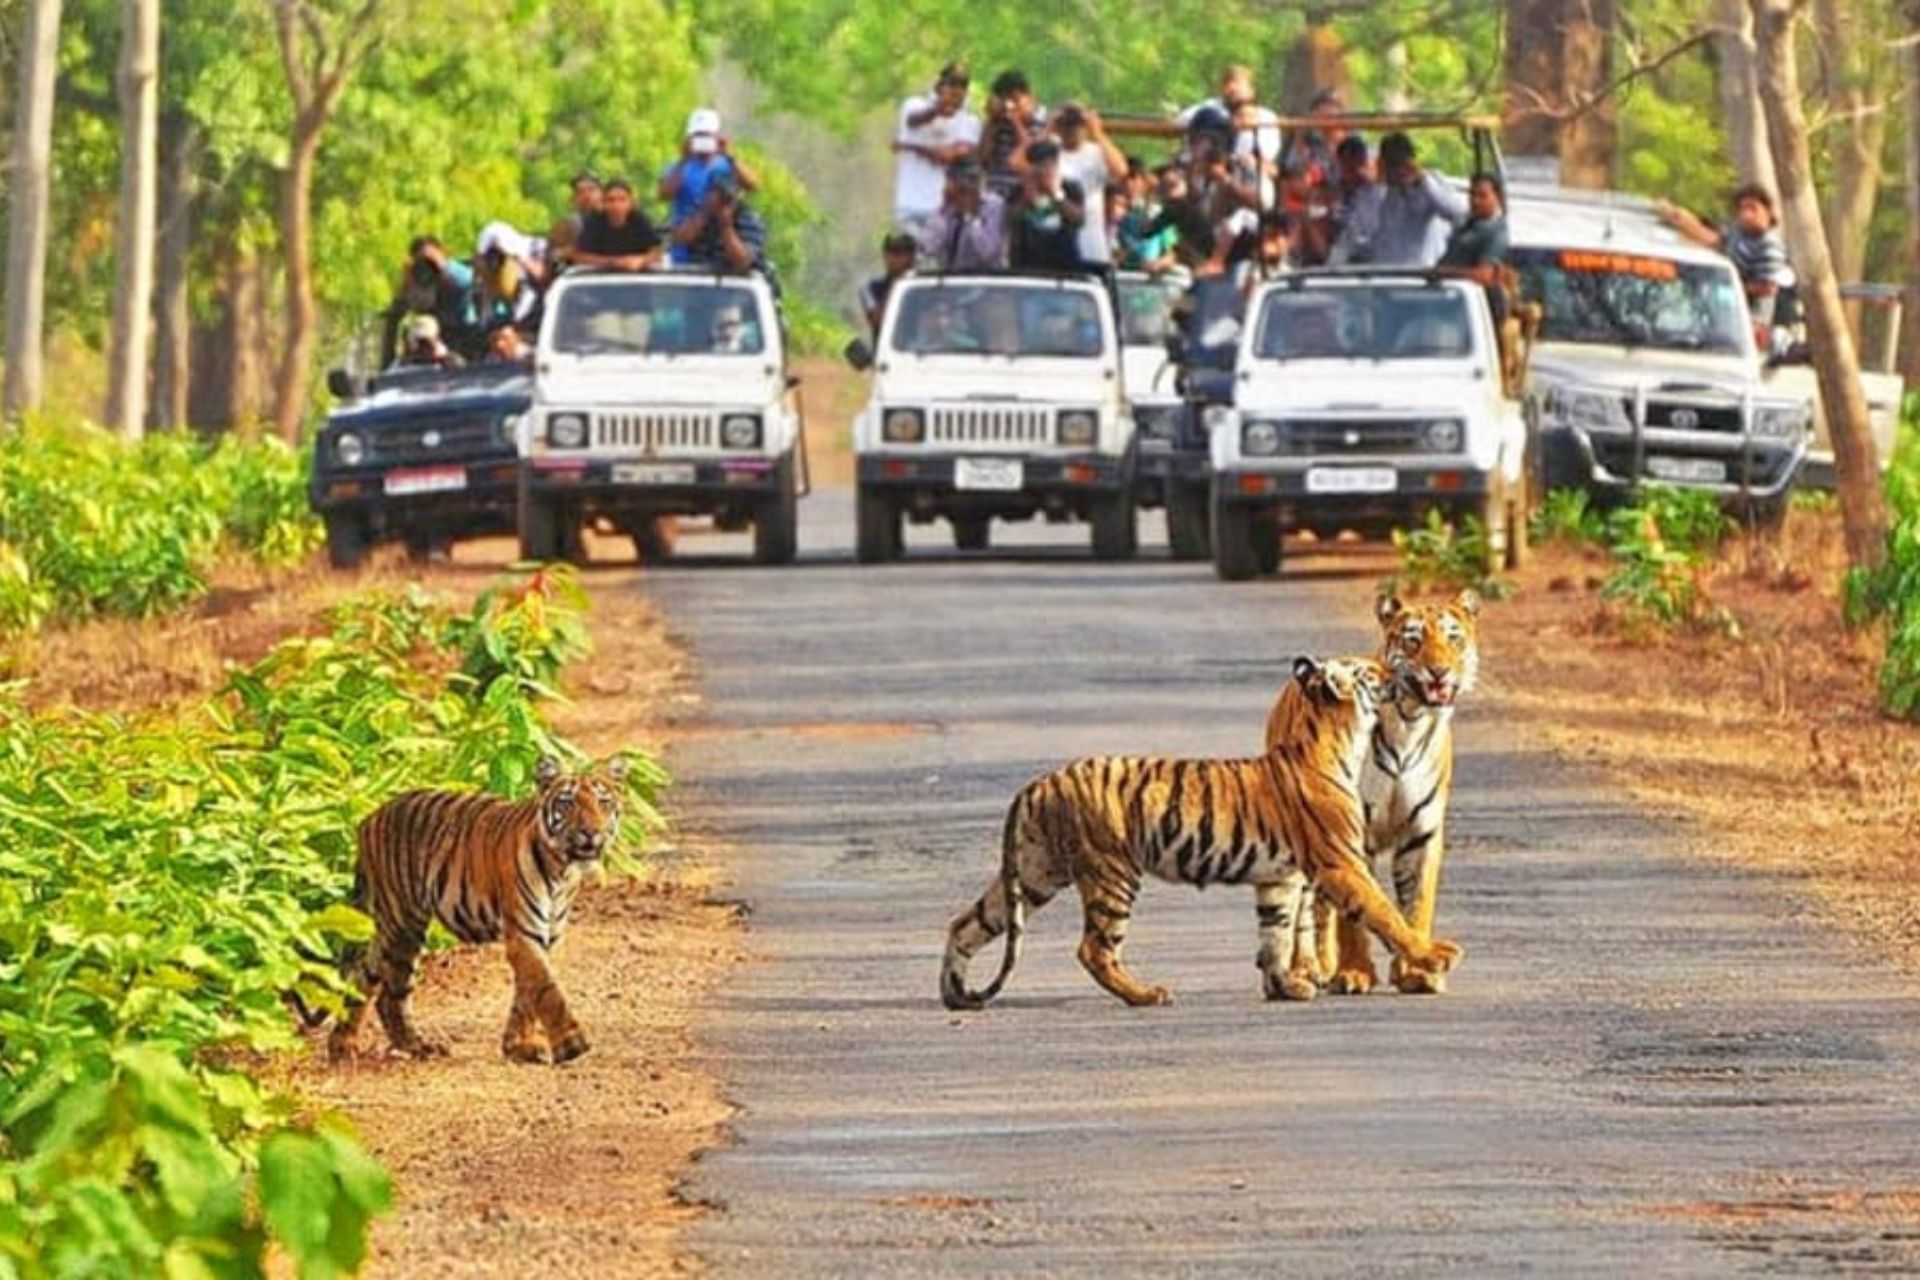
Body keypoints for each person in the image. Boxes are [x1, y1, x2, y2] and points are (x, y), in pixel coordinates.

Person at [1654, 184, 1794, 330]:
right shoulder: (1738, 233)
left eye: (1753, 208)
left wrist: (1729, 286)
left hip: (1751, 319)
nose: (1747, 215)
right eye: (1743, 209)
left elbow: (1767, 287)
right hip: (1722, 310)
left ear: (1768, 212)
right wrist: (1678, 217)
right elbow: (1712, 239)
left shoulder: (1770, 245)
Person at [1332, 131, 1465, 267]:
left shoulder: (1432, 185)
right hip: (1384, 276)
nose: (1395, 170)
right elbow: (1357, 234)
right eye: (1390, 163)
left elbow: (1458, 213)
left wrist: (1421, 179)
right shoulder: (1373, 193)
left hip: (1424, 277)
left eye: (1398, 163)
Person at [893, 62, 983, 241]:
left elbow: (948, 157)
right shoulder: (914, 104)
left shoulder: (970, 120)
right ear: (939, 85)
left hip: (943, 210)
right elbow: (914, 120)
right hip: (910, 206)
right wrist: (939, 109)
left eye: (962, 86)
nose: (956, 90)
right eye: (952, 84)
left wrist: (910, 146)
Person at [660, 108, 762, 265]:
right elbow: (664, 194)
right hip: (686, 241)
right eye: (698, 137)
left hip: (724, 234)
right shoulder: (677, 168)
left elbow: (754, 185)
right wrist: (683, 159)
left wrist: (728, 155)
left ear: (717, 137)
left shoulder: (727, 165)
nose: (703, 142)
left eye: (707, 137)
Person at [1049, 104, 1128, 271]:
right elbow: (1018, 163)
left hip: (1090, 241)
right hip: (1053, 239)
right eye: (1066, 124)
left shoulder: (1096, 152)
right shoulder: (1050, 149)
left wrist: (1097, 132)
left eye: (1077, 124)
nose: (1071, 130)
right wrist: (1048, 128)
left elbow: (1121, 170)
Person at [381, 236, 478, 366]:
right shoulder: (421, 286)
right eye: (422, 264)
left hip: (468, 350)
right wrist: (407, 283)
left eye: (430, 261)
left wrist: (444, 268)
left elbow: (471, 280)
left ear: (445, 256)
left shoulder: (460, 283)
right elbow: (396, 313)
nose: (428, 268)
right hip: (430, 357)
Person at [671, 171, 773, 281]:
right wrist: (705, 213)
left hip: (737, 286)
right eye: (715, 191)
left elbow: (742, 261)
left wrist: (726, 225)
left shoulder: (749, 220)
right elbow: (679, 239)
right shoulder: (698, 212)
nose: (722, 201)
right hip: (699, 281)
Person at [1007, 139, 1085, 272]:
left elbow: (1078, 220)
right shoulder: (1019, 190)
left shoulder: (1071, 188)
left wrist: (1056, 195)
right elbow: (1010, 220)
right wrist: (1027, 198)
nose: (1043, 171)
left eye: (1047, 165)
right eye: (1038, 165)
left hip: (1064, 264)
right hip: (1026, 264)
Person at [918, 157, 1007, 271]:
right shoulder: (948, 207)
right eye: (962, 179)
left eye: (973, 179)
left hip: (985, 278)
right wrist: (944, 208)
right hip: (952, 278)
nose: (968, 185)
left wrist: (971, 216)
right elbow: (928, 247)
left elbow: (988, 253)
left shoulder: (993, 205)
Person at [573, 179, 665, 271]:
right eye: (611, 200)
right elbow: (580, 256)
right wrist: (617, 263)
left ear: (631, 203)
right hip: (599, 277)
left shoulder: (639, 220)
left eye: (622, 199)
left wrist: (642, 261)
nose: (616, 205)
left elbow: (657, 252)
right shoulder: (595, 221)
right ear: (603, 204)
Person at [1436, 173, 1510, 288]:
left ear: (1498, 199)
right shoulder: (1464, 225)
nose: (1475, 201)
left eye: (1482, 196)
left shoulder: (1496, 233)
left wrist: (1442, 273)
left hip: (1472, 299)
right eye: (1472, 194)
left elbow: (1483, 275)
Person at [981, 69, 1045, 199]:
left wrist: (1015, 122)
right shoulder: (996, 124)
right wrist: (992, 122)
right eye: (1005, 100)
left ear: (1029, 97)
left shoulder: (1041, 124)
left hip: (1022, 197)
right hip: (995, 193)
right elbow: (983, 159)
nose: (1010, 105)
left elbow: (1032, 154)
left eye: (1015, 99)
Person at [861, 231, 918, 336]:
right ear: (885, 256)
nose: (899, 259)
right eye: (894, 253)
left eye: (905, 254)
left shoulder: (921, 290)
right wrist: (896, 283)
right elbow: (878, 322)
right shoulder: (871, 288)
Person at [547, 172, 602, 265]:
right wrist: (566, 253)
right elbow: (551, 258)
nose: (587, 196)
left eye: (592, 190)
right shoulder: (564, 227)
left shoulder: (616, 222)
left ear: (602, 194)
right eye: (580, 192)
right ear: (573, 199)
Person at [397, 314, 461, 369]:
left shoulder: (450, 360)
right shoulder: (405, 363)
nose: (423, 348)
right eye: (419, 342)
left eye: (426, 342)